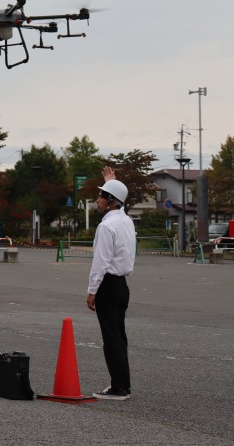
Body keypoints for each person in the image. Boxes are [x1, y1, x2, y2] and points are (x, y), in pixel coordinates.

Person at [86, 166, 136, 400]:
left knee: (111, 338)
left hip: (107, 284)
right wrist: (112, 182)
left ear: (111, 201)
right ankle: (122, 383)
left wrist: (91, 290)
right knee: (119, 336)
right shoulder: (126, 221)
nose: (98, 200)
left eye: (102, 196)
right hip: (122, 285)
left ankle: (119, 387)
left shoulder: (106, 226)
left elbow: (101, 261)